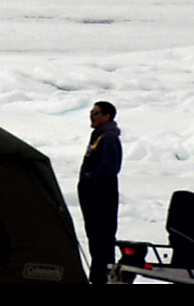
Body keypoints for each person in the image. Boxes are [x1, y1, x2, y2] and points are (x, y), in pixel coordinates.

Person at [77, 100, 122, 284]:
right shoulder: (99, 136)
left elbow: (110, 168)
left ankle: (101, 278)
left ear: (107, 116)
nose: (91, 116)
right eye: (91, 112)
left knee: (102, 240)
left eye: (96, 113)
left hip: (101, 198)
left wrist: (91, 178)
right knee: (96, 241)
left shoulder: (109, 138)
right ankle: (98, 276)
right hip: (93, 197)